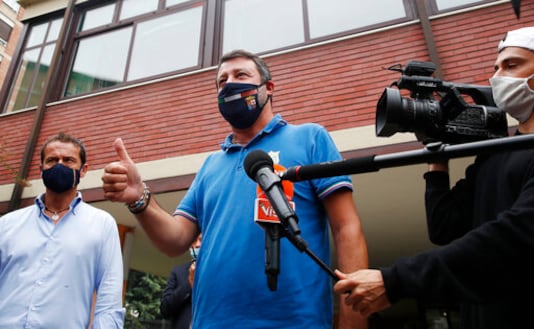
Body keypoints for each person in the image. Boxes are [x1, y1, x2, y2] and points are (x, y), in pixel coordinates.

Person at [102, 49, 369, 328]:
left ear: (269, 88)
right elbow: (176, 240)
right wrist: (140, 199)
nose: (229, 83)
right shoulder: (210, 165)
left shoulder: (310, 138)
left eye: (241, 75)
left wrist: (354, 321)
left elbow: (346, 228)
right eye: (222, 81)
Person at [333, 26, 534, 329]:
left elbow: (514, 236)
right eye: (495, 67)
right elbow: (444, 226)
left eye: (512, 64)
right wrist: (435, 152)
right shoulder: (497, 153)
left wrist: (395, 281)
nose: (497, 77)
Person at [0, 132, 125, 328]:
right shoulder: (7, 224)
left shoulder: (102, 225)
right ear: (41, 168)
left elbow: (109, 302)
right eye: (52, 160)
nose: (59, 165)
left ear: (83, 170)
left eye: (68, 160)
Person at [160, 234, 202, 329]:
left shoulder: (218, 271)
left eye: (201, 240)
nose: (197, 245)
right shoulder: (178, 272)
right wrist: (190, 281)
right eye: (193, 241)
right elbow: (165, 309)